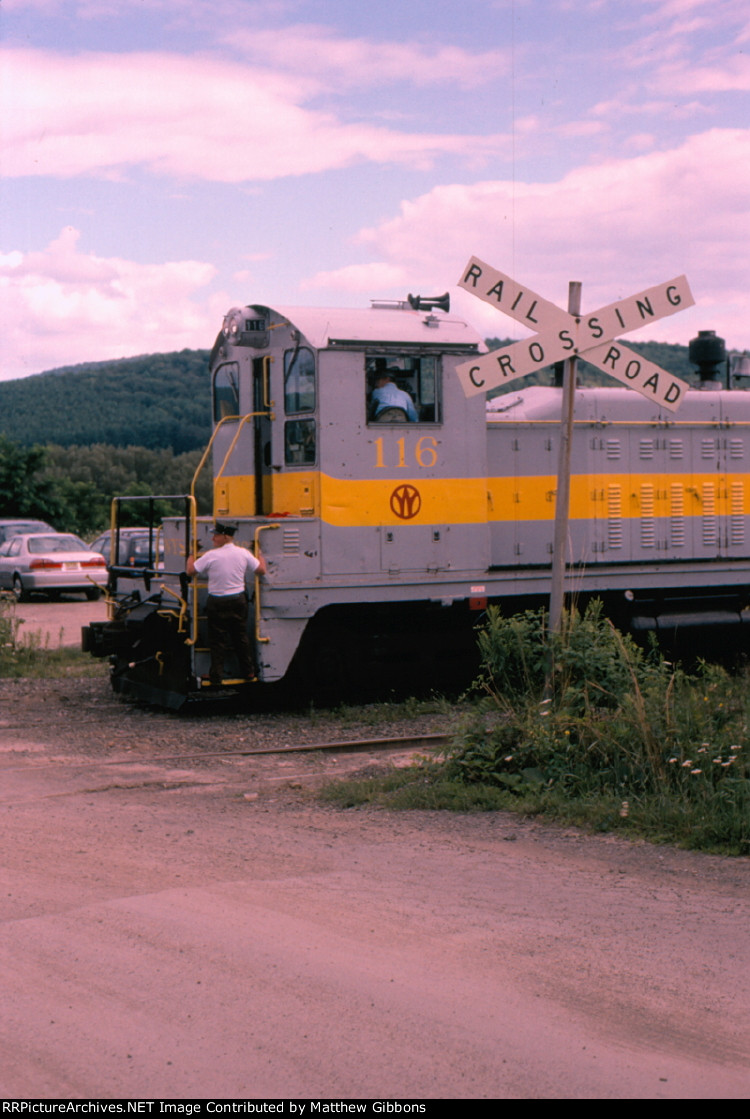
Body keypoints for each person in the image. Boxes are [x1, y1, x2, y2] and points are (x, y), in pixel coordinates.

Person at [187, 521, 267, 686]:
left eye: (216, 535)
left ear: (224, 536)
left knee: (217, 640)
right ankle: (248, 671)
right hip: (238, 600)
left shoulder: (211, 555)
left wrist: (191, 553)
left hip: (217, 602)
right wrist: (259, 553)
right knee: (241, 637)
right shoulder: (243, 553)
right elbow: (261, 569)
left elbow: (190, 571)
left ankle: (216, 675)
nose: (213, 538)